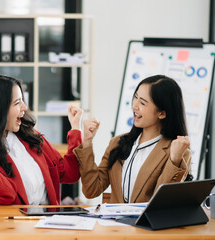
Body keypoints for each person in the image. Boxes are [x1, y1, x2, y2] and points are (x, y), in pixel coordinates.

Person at [0, 74, 83, 205]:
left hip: (47, 222)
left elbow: (70, 173)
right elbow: (7, 195)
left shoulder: (32, 138)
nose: (24, 107)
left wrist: (76, 128)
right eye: (17, 103)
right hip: (13, 224)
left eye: (22, 100)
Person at [74, 75, 191, 203]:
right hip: (114, 222)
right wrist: (87, 142)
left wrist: (174, 160)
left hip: (146, 223)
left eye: (142, 103)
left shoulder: (178, 152)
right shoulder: (117, 143)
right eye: (135, 97)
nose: (135, 106)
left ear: (162, 113)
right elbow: (92, 190)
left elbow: (162, 202)